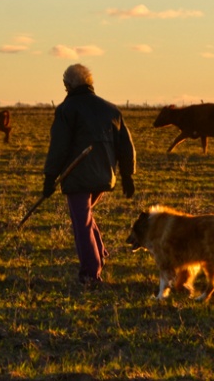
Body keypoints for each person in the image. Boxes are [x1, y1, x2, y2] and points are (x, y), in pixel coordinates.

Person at [43, 63, 136, 286]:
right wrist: (127, 175)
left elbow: (59, 146)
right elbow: (125, 145)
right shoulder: (111, 109)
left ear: (68, 85)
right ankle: (100, 252)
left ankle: (90, 273)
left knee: (81, 223)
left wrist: (49, 177)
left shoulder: (67, 110)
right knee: (85, 215)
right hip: (104, 176)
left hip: (78, 176)